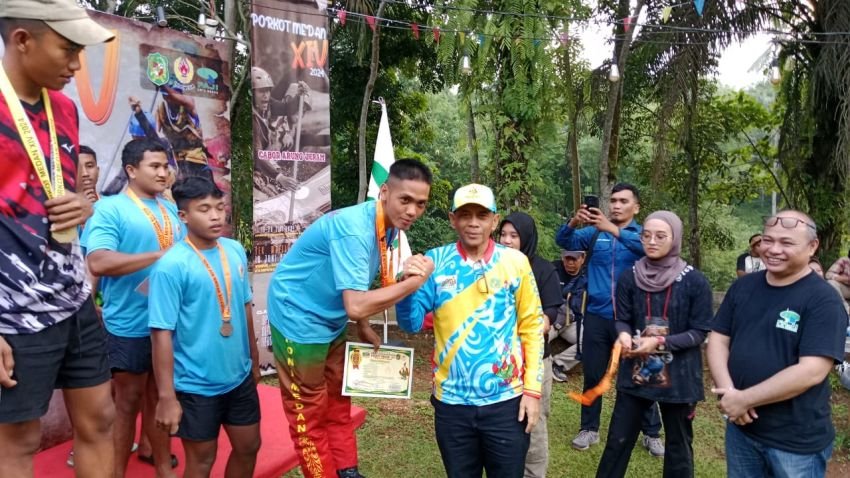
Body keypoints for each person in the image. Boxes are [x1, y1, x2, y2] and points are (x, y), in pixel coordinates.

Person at [0, 3, 115, 477]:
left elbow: (59, 191)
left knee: (100, 420)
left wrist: (84, 206)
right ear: (22, 40)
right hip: (11, 313)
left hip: (72, 298)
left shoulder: (64, 107)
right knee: (19, 441)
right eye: (67, 50)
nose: (75, 66)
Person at [267, 159, 434, 478]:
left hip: (332, 316)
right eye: (405, 200)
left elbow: (355, 286)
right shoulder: (355, 230)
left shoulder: (387, 225)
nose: (412, 211)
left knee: (338, 401)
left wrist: (363, 325)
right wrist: (414, 283)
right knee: (309, 415)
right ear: (385, 192)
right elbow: (356, 304)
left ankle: (347, 471)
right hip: (298, 318)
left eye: (421, 204)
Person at [397, 184, 545, 478]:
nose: (473, 222)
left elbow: (532, 327)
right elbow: (410, 323)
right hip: (452, 406)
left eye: (482, 214)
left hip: (506, 403)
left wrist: (532, 391)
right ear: (453, 219)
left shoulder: (515, 262)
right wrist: (405, 285)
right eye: (465, 215)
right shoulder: (434, 263)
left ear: (494, 219)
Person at [707, 210, 848, 478]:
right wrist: (728, 393)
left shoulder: (823, 300)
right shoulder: (744, 287)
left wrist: (744, 399)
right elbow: (718, 338)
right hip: (742, 430)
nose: (773, 249)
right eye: (767, 240)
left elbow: (812, 371)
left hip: (795, 442)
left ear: (812, 246)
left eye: (786, 243)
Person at [83, 139, 183, 478]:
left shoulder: (168, 209)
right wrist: (157, 257)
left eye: (165, 166)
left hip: (168, 323)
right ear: (130, 170)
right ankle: (116, 472)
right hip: (130, 322)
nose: (163, 172)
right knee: (127, 402)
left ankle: (161, 467)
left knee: (159, 396)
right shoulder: (110, 209)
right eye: (154, 166)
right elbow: (97, 260)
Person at [149, 177, 261, 478]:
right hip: (196, 384)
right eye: (204, 209)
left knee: (249, 446)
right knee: (201, 461)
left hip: (238, 377)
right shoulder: (171, 266)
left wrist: (253, 358)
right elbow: (160, 333)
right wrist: (166, 397)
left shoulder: (234, 249)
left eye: (219, 207)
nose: (215, 216)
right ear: (183, 216)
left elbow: (245, 307)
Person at [595, 211, 713, 478]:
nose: (652, 241)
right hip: (637, 374)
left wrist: (660, 341)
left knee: (678, 446)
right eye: (646, 235)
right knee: (618, 441)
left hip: (679, 378)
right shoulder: (630, 277)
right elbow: (622, 319)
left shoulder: (695, 281)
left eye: (661, 236)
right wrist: (624, 335)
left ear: (675, 238)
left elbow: (700, 331)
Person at [555, 184, 663, 454]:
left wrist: (613, 230)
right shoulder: (594, 234)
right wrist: (574, 222)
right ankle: (589, 429)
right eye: (613, 200)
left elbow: (650, 251)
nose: (616, 205)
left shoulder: (643, 234)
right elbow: (564, 241)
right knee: (593, 374)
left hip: (634, 319)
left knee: (642, 375)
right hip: (597, 316)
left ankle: (651, 432)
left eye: (623, 201)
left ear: (636, 207)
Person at [497, 212, 562, 478]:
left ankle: (534, 473)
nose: (508, 241)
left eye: (514, 236)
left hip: (534, 360)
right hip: (499, 361)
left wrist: (523, 329)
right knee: (501, 421)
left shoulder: (543, 269)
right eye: (503, 234)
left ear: (527, 238)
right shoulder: (491, 266)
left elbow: (550, 315)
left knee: (533, 422)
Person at [551, 250, 586, 382]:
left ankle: (557, 364)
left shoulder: (587, 275)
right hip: (552, 319)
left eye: (574, 259)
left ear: (582, 258)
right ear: (562, 256)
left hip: (572, 322)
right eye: (567, 258)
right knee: (535, 337)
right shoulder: (552, 269)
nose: (570, 262)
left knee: (590, 341)